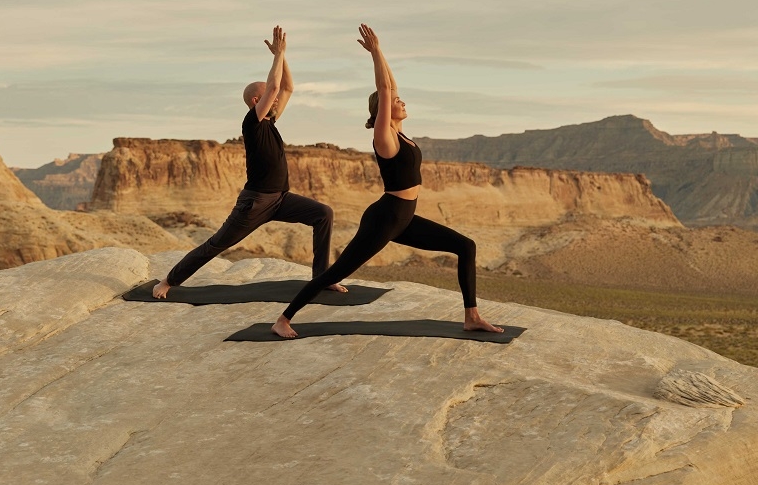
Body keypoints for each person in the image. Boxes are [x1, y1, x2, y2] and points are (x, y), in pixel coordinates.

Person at [270, 24, 504, 338]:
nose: (401, 101)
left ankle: (472, 316)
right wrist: (377, 52)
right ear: (382, 109)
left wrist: (382, 55)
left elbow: (390, 87)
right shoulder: (385, 137)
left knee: (465, 246)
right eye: (397, 101)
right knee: (337, 271)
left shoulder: (402, 135)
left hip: (404, 217)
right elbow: (385, 90)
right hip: (386, 217)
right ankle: (283, 320)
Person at [152, 26, 346, 298]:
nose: (276, 98)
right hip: (255, 203)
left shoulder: (270, 121)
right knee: (217, 244)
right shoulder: (252, 123)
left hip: (280, 198)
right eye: (269, 96)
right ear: (257, 101)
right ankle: (168, 281)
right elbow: (277, 86)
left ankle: (322, 279)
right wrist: (276, 56)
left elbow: (287, 86)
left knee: (323, 213)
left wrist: (284, 56)